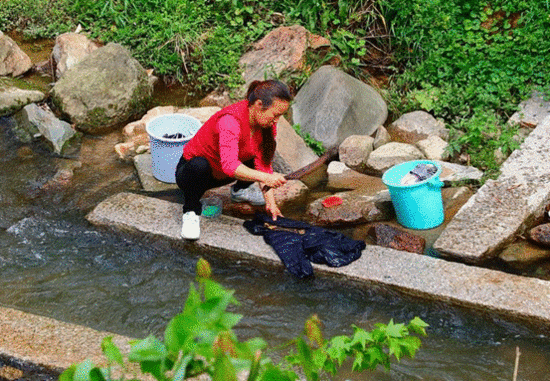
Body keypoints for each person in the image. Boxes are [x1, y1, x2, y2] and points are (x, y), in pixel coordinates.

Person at [175, 79, 292, 240]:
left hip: (222, 173)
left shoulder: (266, 124)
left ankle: (240, 191)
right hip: (192, 173)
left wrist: (271, 204)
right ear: (258, 104)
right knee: (199, 166)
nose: (277, 120)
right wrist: (266, 178)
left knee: (253, 157)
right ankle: (191, 212)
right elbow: (230, 166)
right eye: (276, 114)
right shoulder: (230, 121)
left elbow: (263, 164)